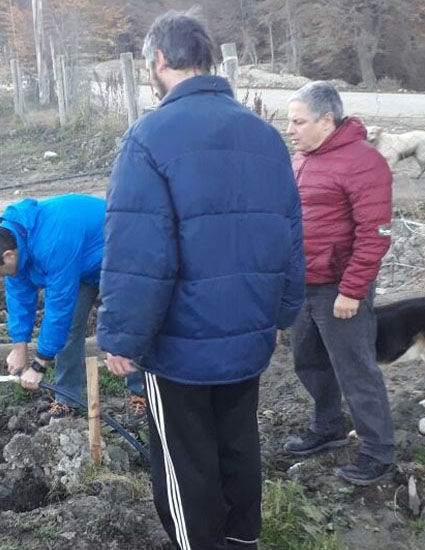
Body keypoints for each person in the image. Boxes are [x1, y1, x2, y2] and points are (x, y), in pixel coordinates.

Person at [97, 11, 305, 549]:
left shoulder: (147, 138)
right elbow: (290, 233)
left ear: (159, 59)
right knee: (238, 443)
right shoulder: (265, 136)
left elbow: (139, 252)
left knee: (185, 462)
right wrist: (283, 311)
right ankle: (243, 540)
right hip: (249, 331)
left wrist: (121, 337)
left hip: (180, 345)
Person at [283, 81, 395, 485]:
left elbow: (375, 233)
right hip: (303, 283)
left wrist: (351, 290)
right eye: (290, 121)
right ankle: (328, 426)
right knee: (307, 360)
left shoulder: (363, 162)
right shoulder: (302, 159)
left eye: (298, 121)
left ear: (326, 120)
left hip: (339, 287)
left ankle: (378, 451)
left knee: (355, 370)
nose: (290, 129)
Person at [0, 194, 146, 422]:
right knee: (70, 328)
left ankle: (139, 391)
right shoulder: (13, 243)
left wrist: (39, 365)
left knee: (128, 322)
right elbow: (18, 298)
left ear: (8, 256)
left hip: (120, 255)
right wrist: (20, 347)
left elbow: (59, 306)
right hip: (81, 265)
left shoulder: (51, 243)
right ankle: (67, 399)